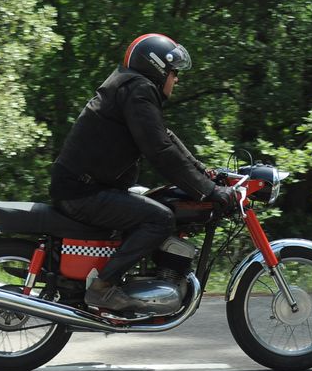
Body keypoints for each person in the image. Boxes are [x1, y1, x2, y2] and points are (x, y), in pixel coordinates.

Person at [50, 33, 240, 312]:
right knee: (160, 219)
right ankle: (103, 288)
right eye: (173, 72)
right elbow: (159, 151)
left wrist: (204, 174)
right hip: (82, 192)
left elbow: (164, 137)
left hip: (83, 185)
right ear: (157, 67)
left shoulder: (130, 87)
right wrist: (208, 191)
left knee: (155, 202)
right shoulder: (137, 90)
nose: (176, 79)